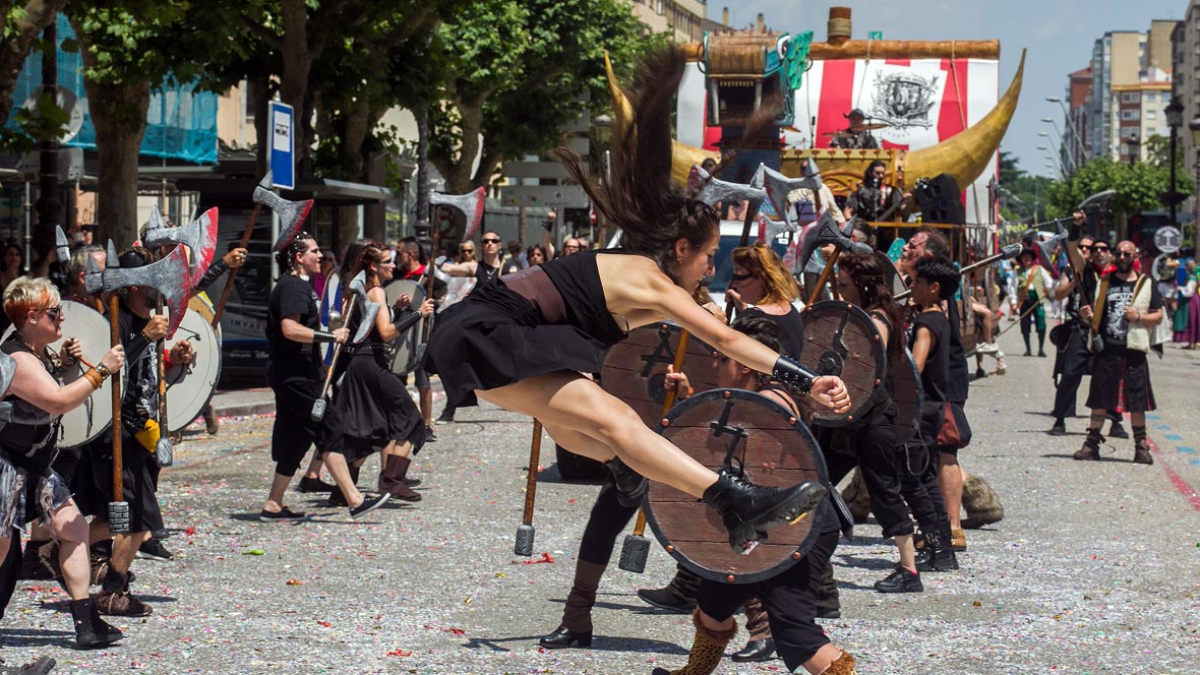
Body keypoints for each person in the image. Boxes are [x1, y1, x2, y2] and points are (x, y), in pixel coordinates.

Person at [425, 46, 850, 555]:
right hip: (483, 330)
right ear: (680, 248)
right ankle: (736, 502)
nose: (710, 268)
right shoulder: (648, 280)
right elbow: (723, 338)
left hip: (481, 327)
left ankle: (627, 468)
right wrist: (805, 378)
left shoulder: (647, 285)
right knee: (615, 422)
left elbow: (712, 335)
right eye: (708, 255)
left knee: (584, 426)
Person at [648, 316, 858, 675]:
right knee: (714, 603)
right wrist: (691, 400)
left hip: (794, 526)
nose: (715, 364)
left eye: (721, 357)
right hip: (767, 523)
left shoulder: (766, 403)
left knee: (794, 628)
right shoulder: (769, 396)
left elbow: (733, 459)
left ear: (745, 365)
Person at [0, 277, 126, 647]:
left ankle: (86, 624)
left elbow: (52, 379)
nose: (62, 319)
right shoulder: (17, 359)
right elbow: (57, 401)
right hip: (6, 466)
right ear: (32, 316)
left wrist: (68, 359)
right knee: (2, 553)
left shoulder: (36, 353)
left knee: (75, 530)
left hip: (35, 466)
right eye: (55, 313)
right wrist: (101, 369)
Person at [261, 232, 391, 521]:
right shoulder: (293, 286)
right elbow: (289, 329)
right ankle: (355, 499)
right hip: (296, 375)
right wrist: (328, 336)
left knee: (295, 439)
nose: (320, 256)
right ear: (298, 258)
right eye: (314, 251)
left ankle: (273, 504)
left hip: (295, 373)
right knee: (330, 428)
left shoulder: (298, 285)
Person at [333, 242, 433, 502]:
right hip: (370, 364)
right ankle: (392, 481)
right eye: (387, 261)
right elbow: (387, 333)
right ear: (373, 266)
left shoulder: (366, 290)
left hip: (363, 363)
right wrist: (417, 314)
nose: (393, 265)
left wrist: (399, 310)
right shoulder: (376, 291)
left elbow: (374, 327)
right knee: (412, 420)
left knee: (371, 430)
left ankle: (342, 491)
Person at [1073, 239, 1164, 464]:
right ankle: (1091, 444)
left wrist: (1139, 317)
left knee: (1137, 400)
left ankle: (1141, 447)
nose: (1123, 258)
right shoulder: (1105, 282)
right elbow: (1096, 315)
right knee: (1099, 398)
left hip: (1133, 350)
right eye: (1120, 254)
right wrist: (1087, 316)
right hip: (1108, 349)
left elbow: (1159, 315)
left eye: (1127, 254)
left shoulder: (1145, 283)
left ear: (1135, 257)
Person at [1011, 248, 1054, 357]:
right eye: (1024, 257)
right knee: (1025, 324)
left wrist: (1050, 292)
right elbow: (1013, 287)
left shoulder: (1039, 269)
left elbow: (1049, 282)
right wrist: (1013, 302)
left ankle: (1041, 349)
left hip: (1037, 301)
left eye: (1028, 257)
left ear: (1032, 258)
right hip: (1024, 301)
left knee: (1041, 323)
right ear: (1021, 259)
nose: (1027, 259)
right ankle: (1028, 349)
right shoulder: (1017, 271)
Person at [844, 160, 906, 224]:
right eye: (878, 173)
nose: (881, 176)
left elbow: (902, 211)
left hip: (886, 230)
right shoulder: (858, 192)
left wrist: (907, 201)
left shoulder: (892, 191)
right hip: (863, 229)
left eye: (882, 173)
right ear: (870, 173)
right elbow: (847, 212)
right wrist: (853, 226)